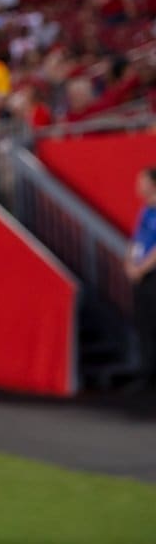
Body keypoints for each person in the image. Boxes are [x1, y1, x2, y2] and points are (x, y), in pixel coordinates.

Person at [124, 167, 156, 391]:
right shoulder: (145, 211)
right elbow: (136, 240)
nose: (137, 186)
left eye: (141, 181)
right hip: (141, 277)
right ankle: (147, 373)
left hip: (152, 275)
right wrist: (129, 263)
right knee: (143, 325)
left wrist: (143, 268)